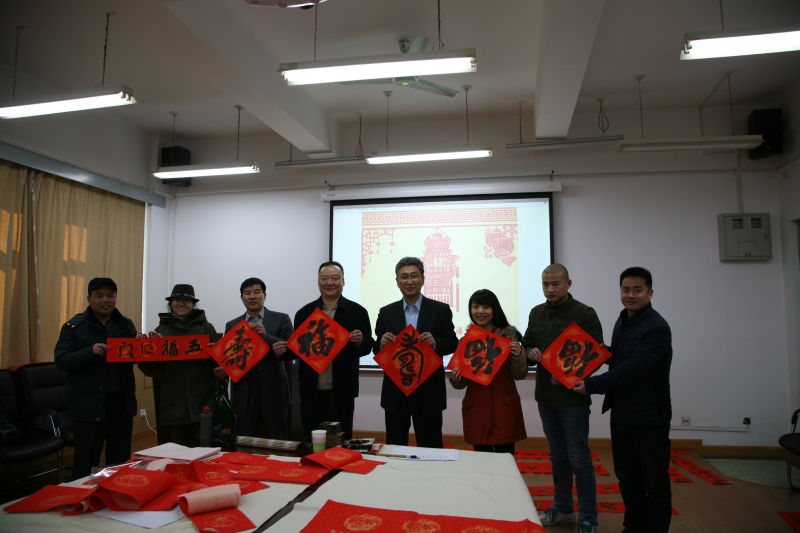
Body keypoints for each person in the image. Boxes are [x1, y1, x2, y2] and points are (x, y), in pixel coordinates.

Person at [574, 267, 673, 533]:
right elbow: (619, 358)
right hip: (623, 412)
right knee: (628, 478)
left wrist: (590, 385)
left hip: (650, 417)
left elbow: (634, 368)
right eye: (625, 289)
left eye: (637, 290)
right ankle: (632, 527)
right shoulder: (624, 320)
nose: (630, 295)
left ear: (650, 293)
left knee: (653, 483)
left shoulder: (656, 328)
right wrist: (592, 352)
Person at [522, 264, 602, 533]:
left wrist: (570, 376)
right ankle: (563, 509)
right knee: (557, 457)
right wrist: (529, 351)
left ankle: (588, 518)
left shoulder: (584, 314)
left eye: (555, 284)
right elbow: (527, 342)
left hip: (573, 400)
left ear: (568, 283)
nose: (550, 289)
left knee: (579, 458)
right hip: (546, 396)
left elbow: (595, 353)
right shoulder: (536, 312)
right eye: (545, 284)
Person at [54, 277, 137, 479]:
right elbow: (62, 360)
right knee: (85, 463)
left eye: (110, 295)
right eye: (99, 296)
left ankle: (116, 495)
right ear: (89, 298)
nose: (105, 300)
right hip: (88, 406)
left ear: (116, 298)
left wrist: (145, 343)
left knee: (119, 462)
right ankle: (81, 496)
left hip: (120, 404)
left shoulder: (126, 325)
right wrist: (89, 352)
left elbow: (135, 356)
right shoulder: (74, 327)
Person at [373, 256, 458, 448]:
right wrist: (381, 344)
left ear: (423, 279)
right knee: (395, 446)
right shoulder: (386, 312)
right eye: (404, 277)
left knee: (431, 447)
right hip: (395, 392)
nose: (409, 281)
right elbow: (376, 347)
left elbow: (452, 342)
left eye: (414, 276)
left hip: (429, 392)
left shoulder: (440, 310)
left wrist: (435, 343)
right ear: (397, 281)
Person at [293, 261, 374, 441]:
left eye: (335, 278)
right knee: (311, 441)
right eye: (325, 278)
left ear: (343, 281)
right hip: (311, 390)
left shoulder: (357, 312)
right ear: (318, 282)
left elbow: (368, 347)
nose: (329, 282)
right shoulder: (304, 313)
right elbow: (298, 350)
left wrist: (360, 341)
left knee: (341, 441)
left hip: (343, 390)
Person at [448, 289, 527, 453]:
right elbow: (461, 384)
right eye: (476, 307)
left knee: (506, 458)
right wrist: (455, 378)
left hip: (504, 407)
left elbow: (519, 374)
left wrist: (519, 354)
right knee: (482, 458)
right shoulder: (466, 340)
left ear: (494, 309)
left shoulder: (509, 338)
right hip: (477, 407)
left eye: (486, 307)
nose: (480, 311)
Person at [139, 284, 218, 446]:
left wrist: (215, 355)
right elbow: (152, 370)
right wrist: (149, 349)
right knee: (175, 450)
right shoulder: (161, 330)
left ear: (193, 304)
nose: (181, 304)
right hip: (173, 403)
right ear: (171, 303)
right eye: (176, 300)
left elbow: (219, 363)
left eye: (186, 300)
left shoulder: (206, 328)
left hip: (202, 400)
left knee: (202, 448)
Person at [222, 277, 293, 439]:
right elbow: (230, 357)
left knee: (276, 439)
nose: (252, 296)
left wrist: (266, 336)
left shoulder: (281, 319)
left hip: (274, 391)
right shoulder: (232, 324)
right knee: (245, 441)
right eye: (247, 293)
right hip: (244, 393)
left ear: (264, 295)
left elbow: (291, 350)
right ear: (242, 297)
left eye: (256, 292)